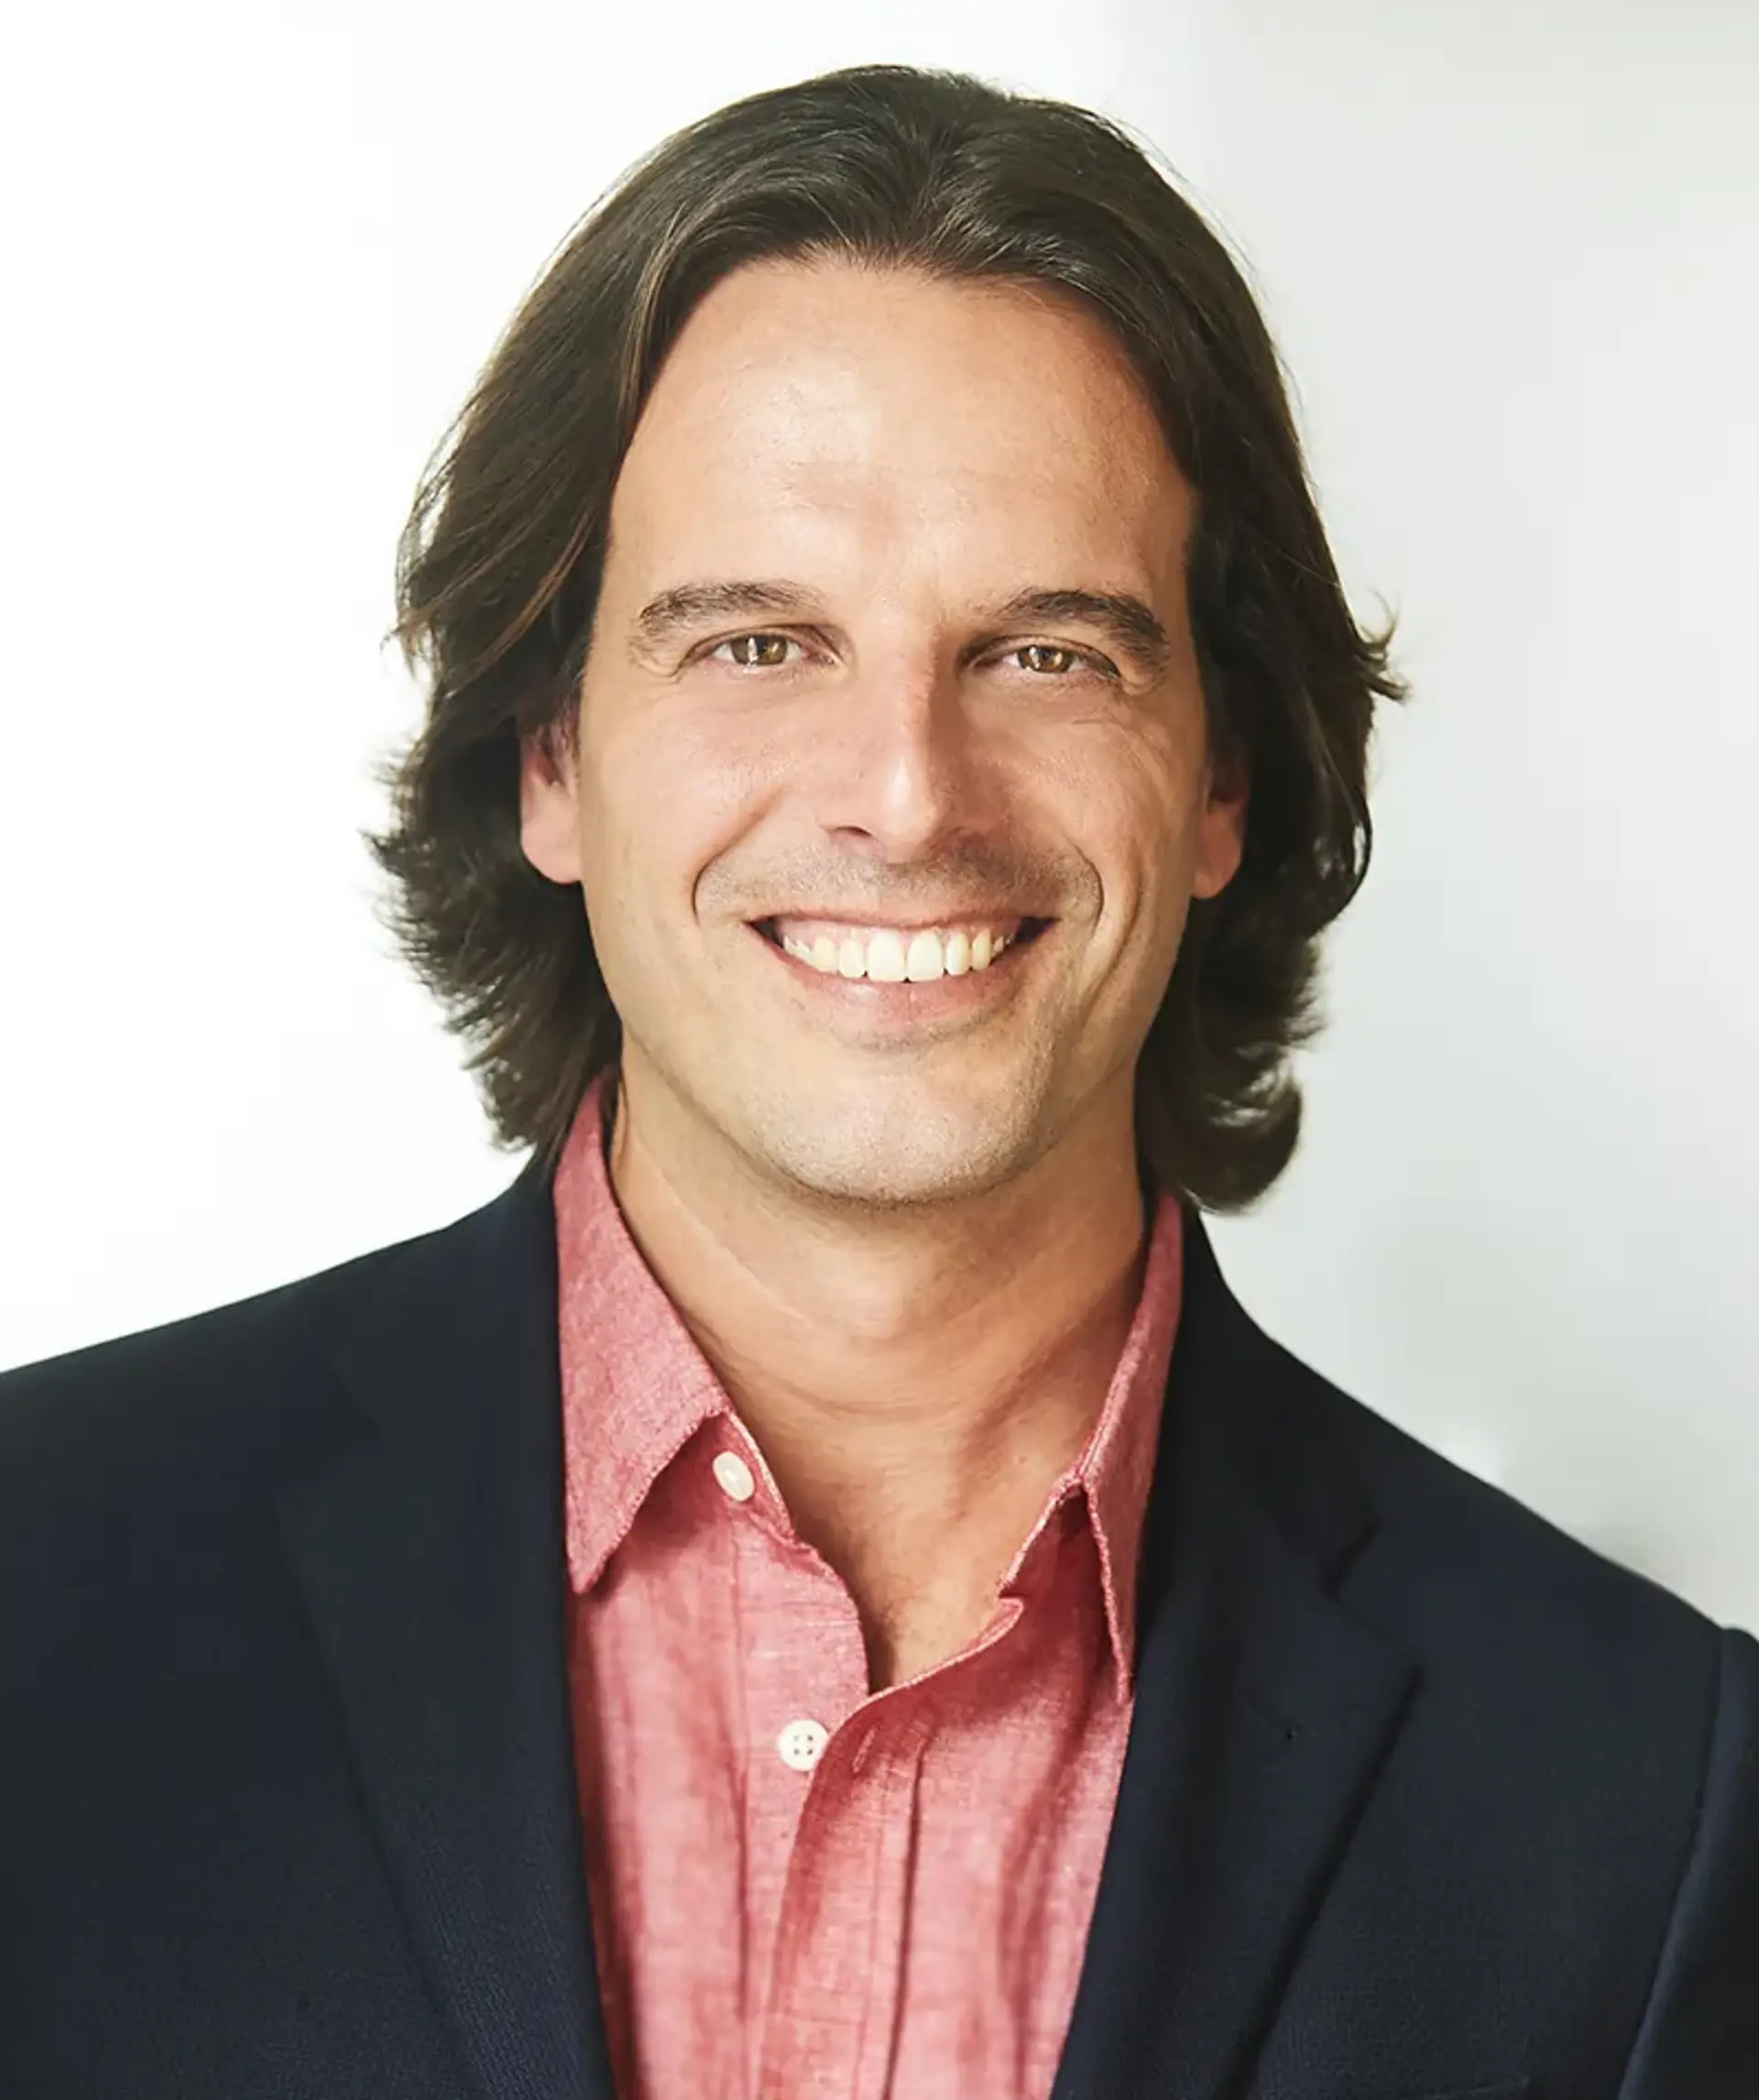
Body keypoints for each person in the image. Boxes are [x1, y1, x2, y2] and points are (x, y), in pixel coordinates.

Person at [0, 60, 1753, 2100]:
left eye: (1049, 652)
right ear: (550, 753)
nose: (909, 796)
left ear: (1223, 775)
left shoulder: (1649, 1805)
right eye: (759, 643)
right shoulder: (45, 1589)